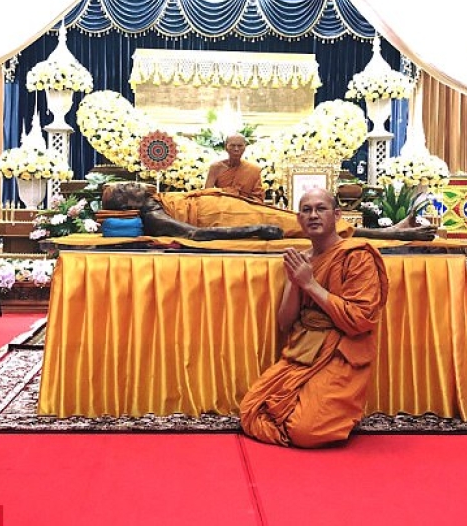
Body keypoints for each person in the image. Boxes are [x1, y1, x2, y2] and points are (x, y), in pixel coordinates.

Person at [238, 187, 389, 448]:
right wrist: (297, 282)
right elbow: (285, 322)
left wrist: (310, 285)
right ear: (299, 219)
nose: (313, 215)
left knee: (306, 431)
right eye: (306, 210)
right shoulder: (302, 260)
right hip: (303, 351)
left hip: (342, 352)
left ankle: (330, 413)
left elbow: (360, 320)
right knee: (250, 410)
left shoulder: (356, 255)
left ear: (337, 215)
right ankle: (311, 409)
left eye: (321, 209)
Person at [100, 182, 437, 242]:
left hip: (226, 206)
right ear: (128, 206)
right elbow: (196, 234)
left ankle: (392, 231)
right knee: (306, 224)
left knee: (300, 218)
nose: (135, 185)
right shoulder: (154, 216)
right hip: (226, 220)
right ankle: (393, 233)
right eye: (127, 190)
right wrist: (253, 230)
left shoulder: (155, 200)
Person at [204, 133, 265, 202]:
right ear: (226, 147)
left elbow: (258, 197)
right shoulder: (216, 168)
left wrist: (240, 200)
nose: (236, 149)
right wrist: (227, 192)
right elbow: (207, 194)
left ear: (245, 148)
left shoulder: (253, 169)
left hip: (245, 206)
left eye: (240, 146)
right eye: (232, 145)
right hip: (222, 206)